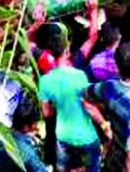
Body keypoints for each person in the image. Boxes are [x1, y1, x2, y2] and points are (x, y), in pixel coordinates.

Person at [85, 43, 130, 172]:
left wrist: (103, 123)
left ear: (118, 68)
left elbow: (84, 95)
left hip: (115, 157)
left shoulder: (110, 87)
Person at [38, 31, 102, 172]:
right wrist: (104, 124)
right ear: (67, 51)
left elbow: (46, 113)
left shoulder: (44, 81)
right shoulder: (80, 76)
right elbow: (88, 105)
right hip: (86, 135)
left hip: (63, 136)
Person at [0, 98, 49, 172]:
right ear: (26, 127)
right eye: (34, 123)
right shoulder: (28, 153)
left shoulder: (1, 138)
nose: (36, 126)